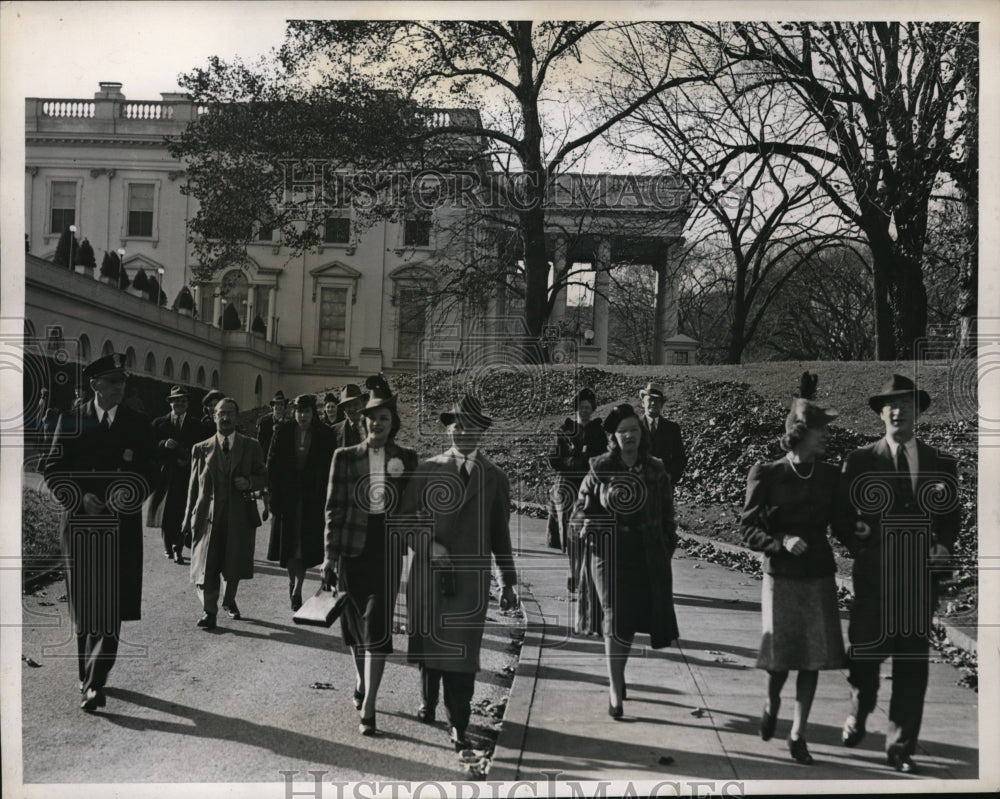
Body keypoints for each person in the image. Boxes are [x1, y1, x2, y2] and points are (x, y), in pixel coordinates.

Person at [834, 374, 960, 774]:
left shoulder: (941, 462)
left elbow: (951, 516)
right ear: (880, 414)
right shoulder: (859, 461)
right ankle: (862, 704)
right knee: (863, 656)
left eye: (905, 404)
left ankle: (901, 746)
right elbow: (840, 515)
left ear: (917, 412)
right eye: (889, 405)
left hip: (918, 580)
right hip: (874, 578)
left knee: (911, 664)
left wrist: (944, 543)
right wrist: (858, 542)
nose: (897, 410)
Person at [741, 380, 853, 765]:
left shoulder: (829, 476)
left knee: (813, 659)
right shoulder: (768, 474)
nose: (827, 438)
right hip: (782, 576)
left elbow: (842, 525)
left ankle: (798, 733)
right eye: (822, 431)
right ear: (802, 433)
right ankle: (772, 704)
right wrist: (781, 541)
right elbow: (749, 529)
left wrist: (868, 541)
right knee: (781, 661)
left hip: (818, 575)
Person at [402, 394, 518, 750]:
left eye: (471, 425)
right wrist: (428, 546)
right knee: (431, 645)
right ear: (448, 429)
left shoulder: (494, 477)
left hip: (470, 580)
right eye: (457, 424)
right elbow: (403, 521)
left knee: (462, 652)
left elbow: (500, 533)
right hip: (429, 575)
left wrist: (507, 582)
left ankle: (459, 720)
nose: (463, 431)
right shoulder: (426, 469)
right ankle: (428, 699)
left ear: (481, 432)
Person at [43, 352, 156, 711]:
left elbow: (151, 471)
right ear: (95, 385)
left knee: (109, 607)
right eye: (113, 382)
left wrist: (131, 493)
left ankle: (95, 682)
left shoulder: (138, 423)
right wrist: (81, 498)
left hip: (120, 526)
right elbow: (52, 470)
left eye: (122, 382)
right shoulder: (72, 419)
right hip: (80, 525)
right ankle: (86, 673)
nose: (120, 388)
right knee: (87, 607)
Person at [322, 377, 419, 736]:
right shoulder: (344, 457)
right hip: (351, 550)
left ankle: (370, 704)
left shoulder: (406, 459)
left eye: (384, 418)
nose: (377, 424)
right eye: (371, 418)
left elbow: (414, 509)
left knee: (376, 627)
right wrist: (329, 558)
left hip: (386, 550)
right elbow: (334, 510)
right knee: (353, 629)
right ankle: (361, 680)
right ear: (362, 421)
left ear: (393, 422)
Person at [569, 403, 678, 720]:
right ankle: (615, 691)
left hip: (645, 557)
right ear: (613, 438)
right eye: (622, 431)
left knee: (629, 625)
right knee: (615, 621)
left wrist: (665, 547)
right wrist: (584, 524)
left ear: (641, 434)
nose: (629, 435)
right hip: (607, 555)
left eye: (634, 429)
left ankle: (618, 674)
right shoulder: (599, 468)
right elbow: (578, 512)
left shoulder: (656, 470)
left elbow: (668, 518)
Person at [183, 397, 267, 629]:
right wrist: (187, 517)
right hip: (207, 517)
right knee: (207, 564)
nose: (226, 417)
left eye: (230, 413)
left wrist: (249, 482)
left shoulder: (251, 446)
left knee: (233, 563)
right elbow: (193, 487)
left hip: (238, 517)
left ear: (236, 417)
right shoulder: (200, 449)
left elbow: (264, 476)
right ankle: (209, 611)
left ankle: (229, 600)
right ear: (214, 416)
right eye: (221, 413)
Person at [267, 394, 336, 611]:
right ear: (293, 412)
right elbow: (272, 464)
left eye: (306, 411)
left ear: (313, 412)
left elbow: (330, 467)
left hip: (312, 500)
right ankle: (291, 582)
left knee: (301, 547)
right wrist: (271, 495)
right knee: (288, 546)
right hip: (287, 499)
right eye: (299, 411)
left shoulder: (325, 434)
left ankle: (298, 588)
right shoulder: (282, 431)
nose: (303, 416)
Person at [546, 388, 607, 554]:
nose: (584, 410)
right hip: (567, 478)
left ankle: (589, 544)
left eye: (587, 407)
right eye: (581, 407)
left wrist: (589, 462)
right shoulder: (565, 430)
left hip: (589, 479)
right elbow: (553, 458)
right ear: (576, 409)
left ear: (592, 409)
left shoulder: (599, 432)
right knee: (564, 508)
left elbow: (604, 458)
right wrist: (571, 461)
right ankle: (566, 544)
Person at [147, 386, 204, 564]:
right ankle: (167, 545)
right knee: (165, 512)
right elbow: (148, 448)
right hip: (165, 474)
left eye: (183, 400)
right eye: (175, 400)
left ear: (187, 404)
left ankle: (177, 547)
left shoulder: (196, 425)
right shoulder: (158, 423)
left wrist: (188, 457)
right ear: (170, 403)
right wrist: (164, 444)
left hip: (187, 475)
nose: (179, 403)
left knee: (182, 511)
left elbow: (202, 448)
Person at [637, 383, 687, 486]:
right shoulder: (633, 427)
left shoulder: (672, 429)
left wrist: (670, 477)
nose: (653, 403)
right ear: (643, 403)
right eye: (650, 399)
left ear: (662, 404)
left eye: (657, 400)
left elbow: (680, 458)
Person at [331, 384, 368, 449]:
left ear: (363, 404)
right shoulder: (333, 432)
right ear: (344, 409)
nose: (352, 408)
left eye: (356, 404)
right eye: (348, 405)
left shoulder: (373, 426)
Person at [256, 390, 288, 458]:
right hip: (266, 457)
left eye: (282, 404)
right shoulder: (264, 422)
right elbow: (259, 442)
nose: (279, 407)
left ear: (285, 407)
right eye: (277, 404)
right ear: (272, 406)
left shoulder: (288, 423)